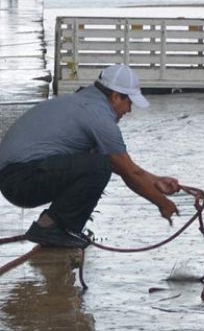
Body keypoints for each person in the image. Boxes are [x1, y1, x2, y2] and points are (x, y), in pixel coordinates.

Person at [0, 64, 180, 248]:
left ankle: (54, 226)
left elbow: (121, 166)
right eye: (129, 103)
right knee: (99, 165)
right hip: (20, 180)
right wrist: (163, 204)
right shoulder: (99, 116)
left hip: (16, 177)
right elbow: (129, 173)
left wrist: (155, 181)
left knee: (98, 162)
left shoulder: (84, 102)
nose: (129, 110)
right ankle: (51, 228)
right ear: (116, 97)